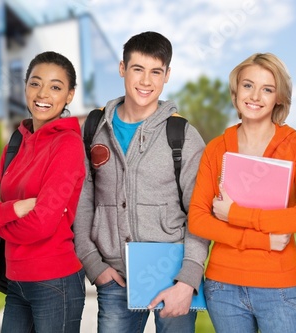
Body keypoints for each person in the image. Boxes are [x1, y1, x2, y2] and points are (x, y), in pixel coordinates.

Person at [73, 31, 209, 333]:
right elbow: (83, 202)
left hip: (172, 277)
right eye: (138, 69)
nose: (146, 81)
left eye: (156, 72)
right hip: (114, 278)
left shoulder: (182, 136)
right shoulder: (94, 128)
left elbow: (200, 212)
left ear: (167, 75)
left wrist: (189, 278)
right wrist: (94, 264)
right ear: (123, 69)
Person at [189, 53, 296, 333]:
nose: (255, 96)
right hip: (223, 287)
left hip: (279, 288)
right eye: (248, 85)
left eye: (268, 89)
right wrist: (262, 240)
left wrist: (234, 214)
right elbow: (199, 220)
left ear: (279, 98)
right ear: (236, 92)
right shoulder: (216, 148)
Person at [0, 51, 86, 333]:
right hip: (15, 281)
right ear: (25, 87)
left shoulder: (67, 145)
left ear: (69, 95)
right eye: (35, 83)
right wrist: (14, 209)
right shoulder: (17, 142)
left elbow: (41, 226)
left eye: (56, 87)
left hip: (54, 282)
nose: (42, 93)